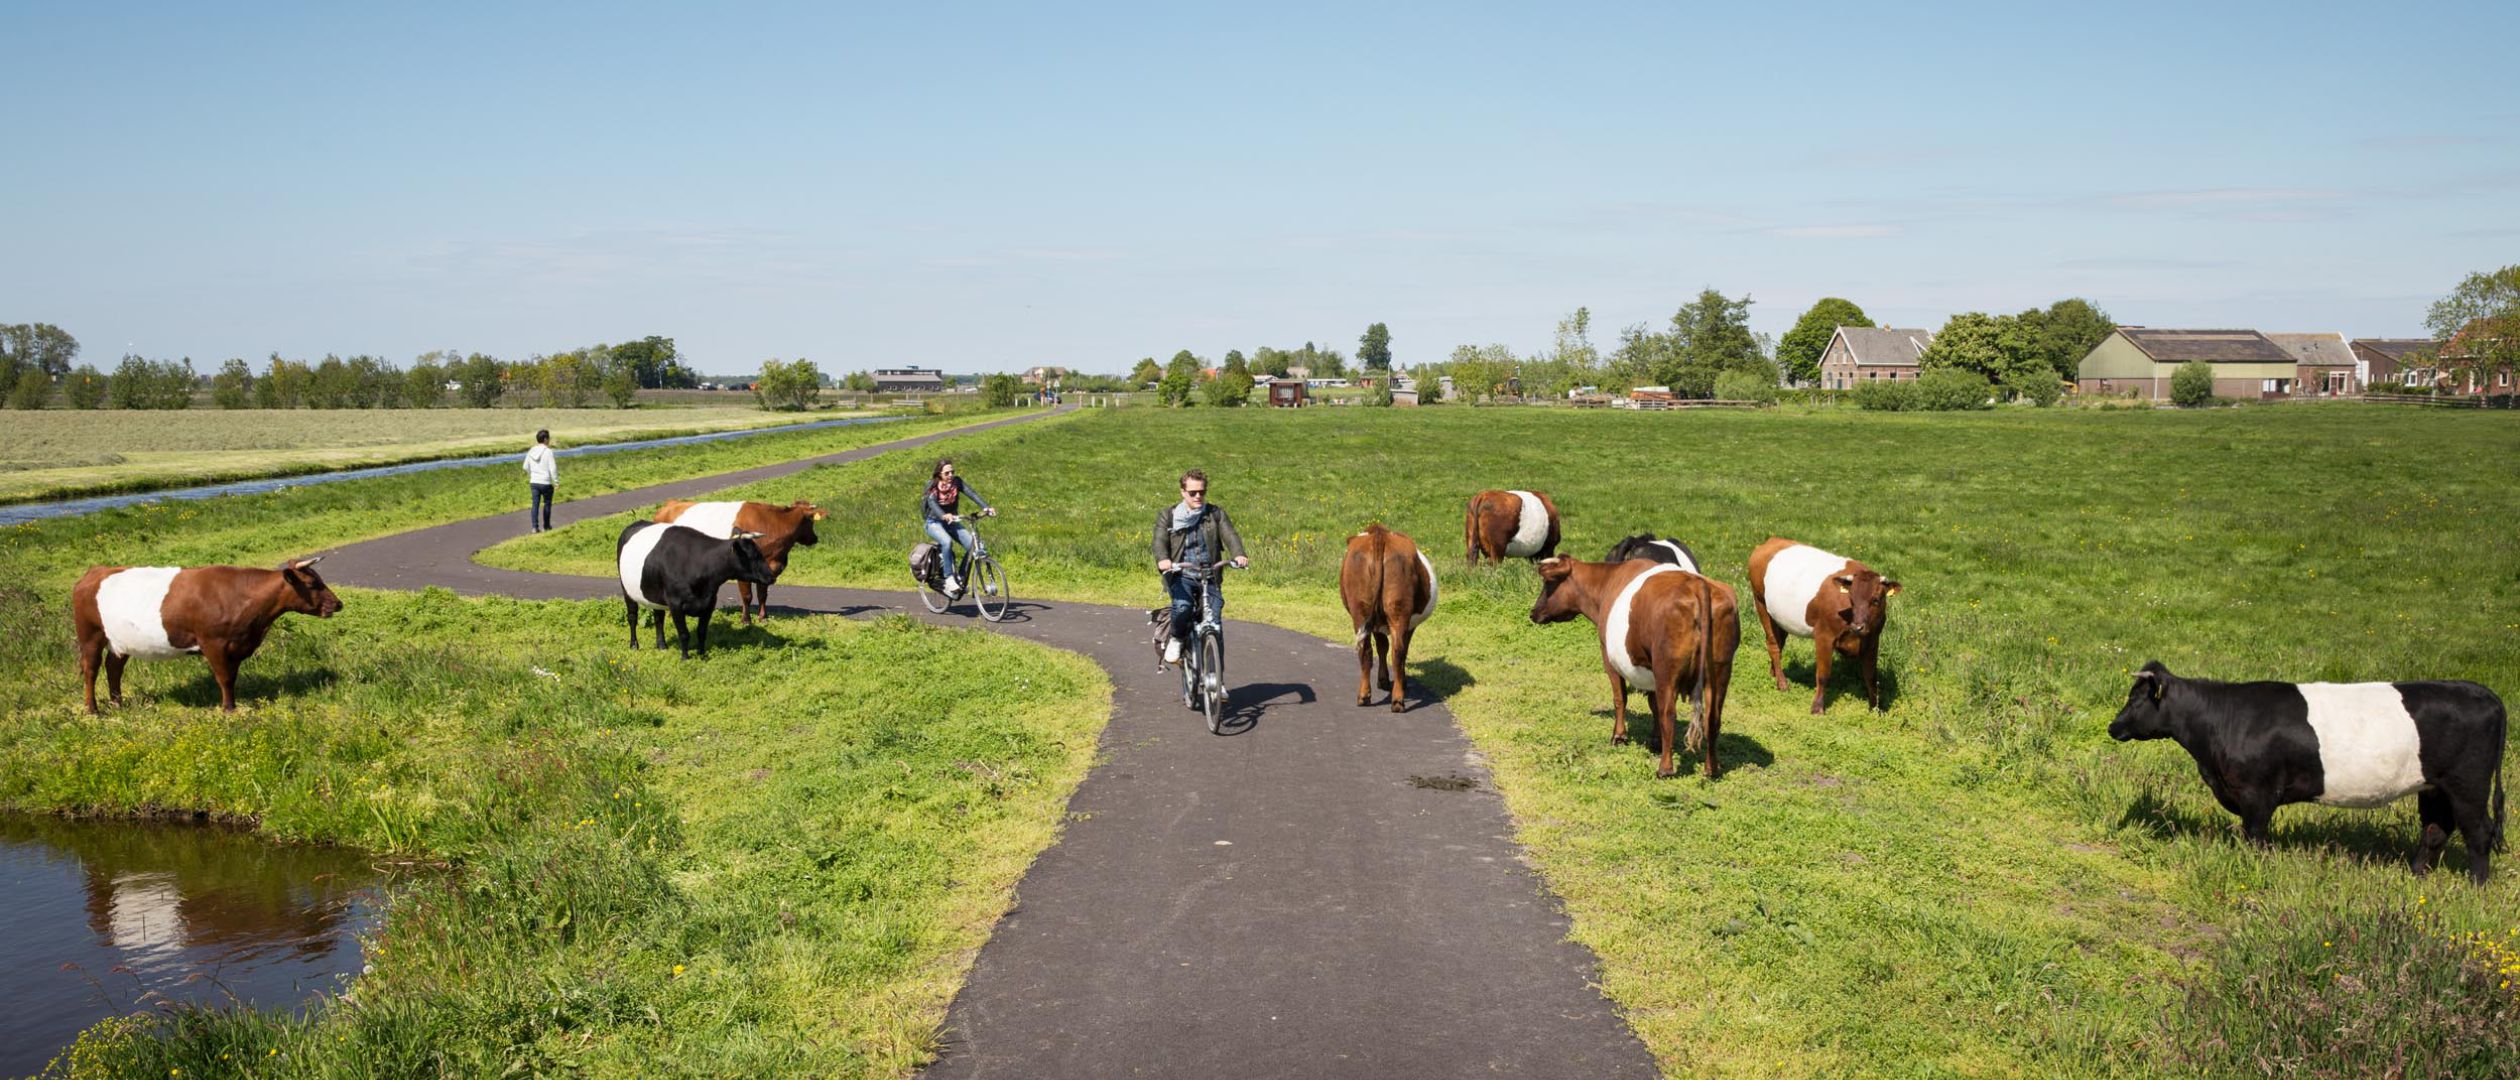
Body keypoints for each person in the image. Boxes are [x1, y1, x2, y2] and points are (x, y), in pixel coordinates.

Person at [1151, 468, 1247, 663]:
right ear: (1182, 492)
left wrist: (1238, 554)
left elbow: (1230, 535)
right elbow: (1159, 541)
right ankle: (1177, 638)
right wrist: (1163, 559)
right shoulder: (1168, 516)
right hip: (1181, 575)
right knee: (1183, 606)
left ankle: (1216, 679)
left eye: (1201, 492)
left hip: (1209, 575)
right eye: (1192, 492)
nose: (1198, 496)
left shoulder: (1215, 514)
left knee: (1214, 624)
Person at [921, 458, 994, 595]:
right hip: (933, 522)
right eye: (947, 473)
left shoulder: (957, 482)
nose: (950, 475)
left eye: (952, 472)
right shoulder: (933, 486)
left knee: (974, 545)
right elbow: (932, 503)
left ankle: (960, 577)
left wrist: (986, 507)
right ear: (939, 474)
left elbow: (972, 494)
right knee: (946, 542)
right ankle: (949, 578)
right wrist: (943, 515)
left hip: (952, 521)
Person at [523, 429, 557, 533]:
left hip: (534, 482)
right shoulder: (548, 451)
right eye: (549, 438)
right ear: (545, 439)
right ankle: (546, 526)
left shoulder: (531, 451)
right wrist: (556, 481)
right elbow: (553, 468)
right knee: (547, 504)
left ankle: (534, 527)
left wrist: (532, 475)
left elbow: (525, 466)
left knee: (535, 505)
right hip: (545, 482)